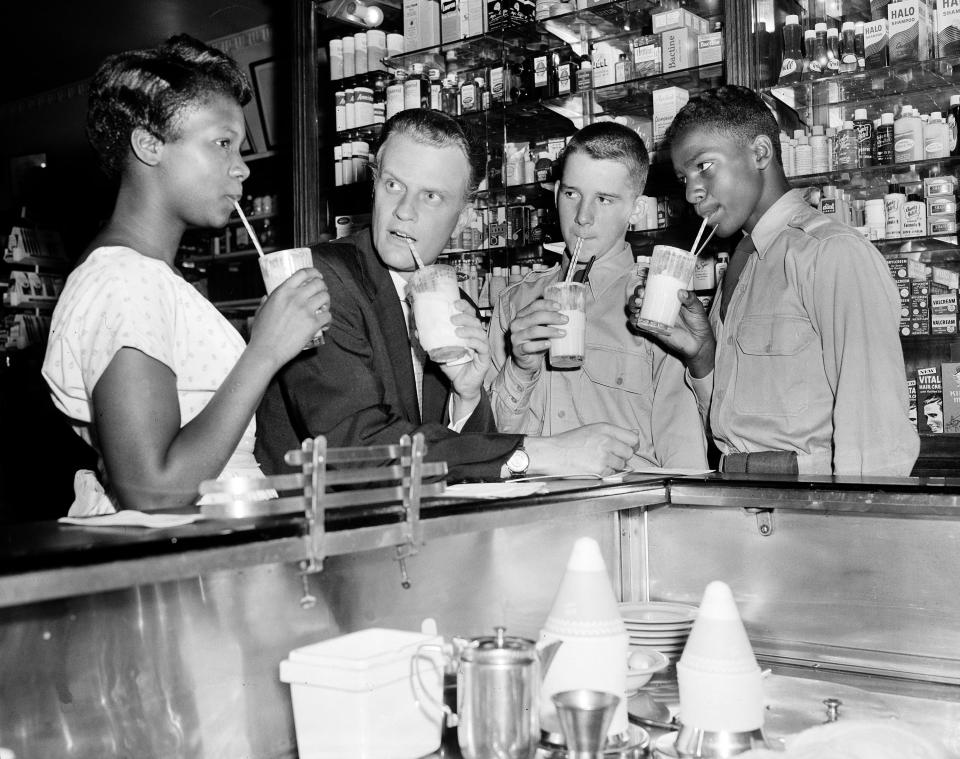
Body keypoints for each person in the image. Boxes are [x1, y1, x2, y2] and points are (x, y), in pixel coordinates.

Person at [256, 109, 638, 480]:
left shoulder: (457, 304)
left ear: (463, 212)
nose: (404, 211)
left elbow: (463, 466)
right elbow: (356, 448)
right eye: (393, 185)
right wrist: (544, 452)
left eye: (432, 196)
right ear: (373, 183)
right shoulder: (321, 278)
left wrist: (467, 396)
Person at [42, 35, 330, 511]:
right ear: (149, 145)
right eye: (222, 144)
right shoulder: (123, 281)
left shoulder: (153, 278)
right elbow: (152, 491)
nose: (241, 169)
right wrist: (264, 352)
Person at [634, 84, 918, 475]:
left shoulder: (831, 252)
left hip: (808, 513)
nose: (693, 192)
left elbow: (878, 434)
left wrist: (858, 525)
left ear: (760, 153)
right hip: (739, 499)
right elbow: (731, 426)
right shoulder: (741, 264)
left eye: (704, 167)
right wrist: (700, 353)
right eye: (684, 178)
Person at [486, 122, 707, 469]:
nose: (582, 217)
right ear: (556, 191)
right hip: (533, 514)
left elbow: (684, 458)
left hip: (627, 516)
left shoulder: (655, 306)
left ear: (635, 210)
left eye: (604, 199)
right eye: (571, 194)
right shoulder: (514, 303)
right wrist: (518, 369)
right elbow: (487, 448)